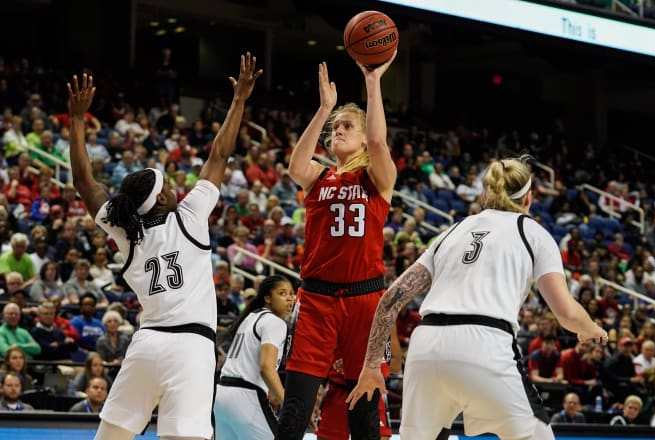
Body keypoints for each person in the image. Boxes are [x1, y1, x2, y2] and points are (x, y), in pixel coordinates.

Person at [67, 53, 261, 440]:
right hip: (190, 346)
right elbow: (219, 153)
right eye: (167, 186)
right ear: (159, 200)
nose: (175, 187)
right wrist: (239, 99)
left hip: (148, 343)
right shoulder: (189, 216)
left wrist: (75, 119)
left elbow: (84, 183)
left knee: (111, 436)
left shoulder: (127, 232)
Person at [347, 156, 608, 440]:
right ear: (529, 198)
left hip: (426, 348)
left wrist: (371, 365)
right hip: (485, 344)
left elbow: (390, 300)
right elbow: (567, 313)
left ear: (486, 193)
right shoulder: (532, 232)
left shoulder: (452, 231)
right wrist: (590, 328)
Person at [277, 55, 397, 440]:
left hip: (365, 302)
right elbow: (296, 165)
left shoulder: (377, 177)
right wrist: (324, 109)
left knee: (364, 415)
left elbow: (379, 140)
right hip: (316, 300)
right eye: (335, 127)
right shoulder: (318, 177)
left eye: (347, 126)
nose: (337, 131)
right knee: (295, 409)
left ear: (362, 137)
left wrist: (373, 80)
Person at [214, 275, 295, 439]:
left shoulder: (249, 318)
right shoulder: (275, 322)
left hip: (221, 395)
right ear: (267, 298)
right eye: (282, 293)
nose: (290, 299)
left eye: (291, 294)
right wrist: (288, 405)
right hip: (245, 396)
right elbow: (266, 367)